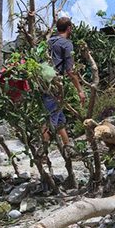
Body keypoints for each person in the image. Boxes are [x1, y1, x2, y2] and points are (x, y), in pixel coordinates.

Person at [45, 17, 86, 154]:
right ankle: (43, 153)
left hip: (44, 82)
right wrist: (80, 90)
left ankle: (68, 148)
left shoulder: (48, 42)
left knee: (59, 117)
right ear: (69, 28)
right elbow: (70, 71)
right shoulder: (66, 44)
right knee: (50, 119)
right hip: (56, 84)